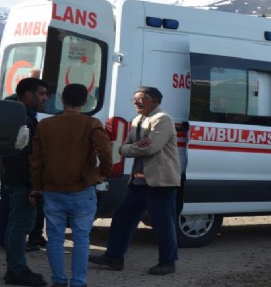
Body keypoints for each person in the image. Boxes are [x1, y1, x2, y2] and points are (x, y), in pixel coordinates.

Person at [89, 86, 181, 275]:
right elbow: (124, 148)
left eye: (141, 99)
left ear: (154, 101)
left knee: (162, 224)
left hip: (160, 183)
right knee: (122, 218)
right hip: (138, 183)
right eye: (134, 99)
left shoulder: (162, 119)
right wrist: (132, 147)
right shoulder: (138, 120)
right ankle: (114, 257)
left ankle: (168, 262)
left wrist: (132, 148)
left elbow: (150, 149)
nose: (136, 102)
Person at [30, 84, 113, 287]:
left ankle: (58, 280)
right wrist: (102, 173)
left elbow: (36, 160)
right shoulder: (91, 123)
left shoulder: (45, 125)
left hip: (52, 189)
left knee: (55, 238)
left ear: (62, 100)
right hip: (82, 188)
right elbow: (105, 151)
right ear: (85, 102)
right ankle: (78, 282)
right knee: (81, 238)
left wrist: (36, 186)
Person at [1, 77, 49, 286]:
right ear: (28, 94)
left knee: (17, 224)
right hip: (23, 180)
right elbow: (26, 155)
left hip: (15, 178)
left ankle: (16, 268)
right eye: (41, 93)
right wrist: (34, 184)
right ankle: (16, 270)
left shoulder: (18, 113)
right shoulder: (22, 117)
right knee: (21, 225)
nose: (45, 98)